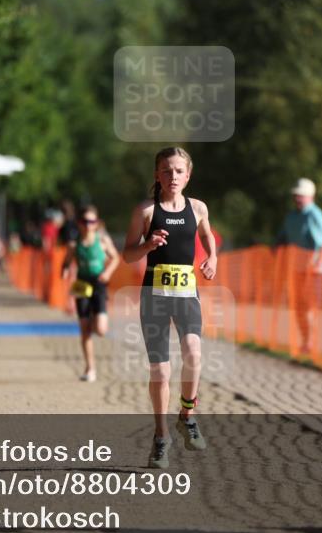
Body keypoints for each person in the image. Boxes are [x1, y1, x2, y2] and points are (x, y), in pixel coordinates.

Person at [123, 147, 217, 469]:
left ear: (188, 175)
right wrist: (147, 245)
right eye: (166, 171)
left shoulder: (199, 208)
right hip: (155, 297)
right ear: (156, 175)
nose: (172, 176)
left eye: (178, 171)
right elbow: (127, 255)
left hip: (187, 295)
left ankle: (187, 415)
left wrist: (212, 258)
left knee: (194, 354)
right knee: (161, 371)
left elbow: (206, 236)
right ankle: (161, 436)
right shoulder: (146, 211)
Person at [62, 205, 120, 382]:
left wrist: (107, 273)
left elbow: (116, 258)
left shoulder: (103, 240)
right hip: (82, 285)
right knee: (84, 330)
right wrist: (64, 271)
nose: (88, 225)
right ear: (80, 223)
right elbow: (66, 263)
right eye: (85, 221)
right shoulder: (74, 244)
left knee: (101, 330)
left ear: (97, 224)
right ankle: (90, 368)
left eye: (92, 221)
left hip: (99, 283)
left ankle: (95, 319)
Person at [276, 178, 322, 355]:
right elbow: (282, 237)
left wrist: (316, 264)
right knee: (299, 308)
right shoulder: (292, 217)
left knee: (309, 307)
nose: (298, 199)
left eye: (301, 196)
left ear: (310, 196)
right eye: (296, 195)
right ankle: (306, 341)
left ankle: (310, 342)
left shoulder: (315, 216)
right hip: (296, 269)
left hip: (313, 271)